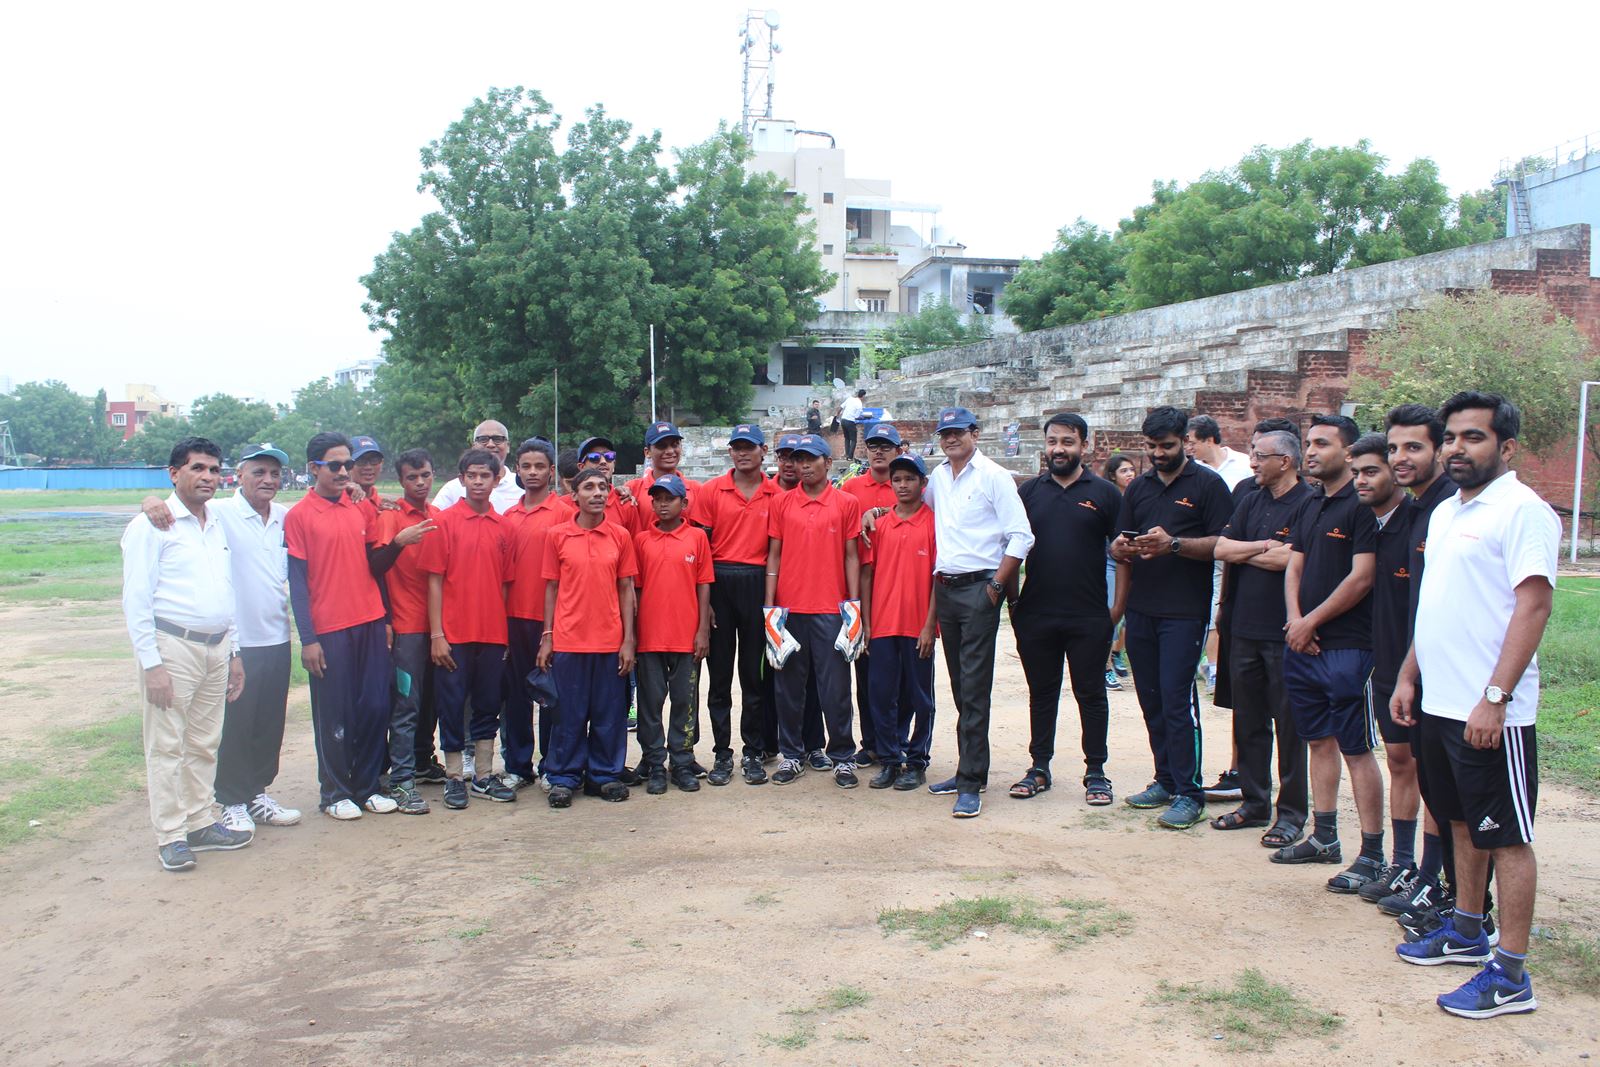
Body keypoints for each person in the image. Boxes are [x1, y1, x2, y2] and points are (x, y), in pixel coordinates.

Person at [1391, 391, 1557, 1019]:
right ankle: (1465, 929)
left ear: (1506, 448)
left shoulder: (1522, 511)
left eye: (1474, 438)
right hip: (1440, 701)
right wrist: (1410, 675)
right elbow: (1436, 605)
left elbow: (1533, 606)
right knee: (1459, 819)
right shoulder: (1446, 513)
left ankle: (1511, 975)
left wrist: (1495, 697)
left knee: (1507, 837)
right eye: (1453, 437)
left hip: (1491, 712)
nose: (1458, 448)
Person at [139, 443, 304, 833]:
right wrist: (149, 501)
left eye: (274, 473)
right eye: (258, 472)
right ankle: (230, 799)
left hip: (276, 637)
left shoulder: (285, 517)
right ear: (240, 476)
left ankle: (257, 792)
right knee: (234, 725)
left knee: (269, 723)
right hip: (236, 644)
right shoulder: (220, 513)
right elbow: (177, 505)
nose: (268, 480)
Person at [121, 437, 251, 871]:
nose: (208, 477)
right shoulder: (152, 524)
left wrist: (232, 651)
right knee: (166, 744)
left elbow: (225, 590)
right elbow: (136, 600)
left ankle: (199, 822)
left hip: (215, 648)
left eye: (214, 470)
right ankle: (171, 835)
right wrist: (151, 664)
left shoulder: (215, 523)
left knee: (203, 741)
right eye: (198, 468)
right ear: (174, 473)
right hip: (172, 647)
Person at [1271, 414, 1385, 893]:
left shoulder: (1363, 506)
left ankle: (1375, 854)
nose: (1311, 451)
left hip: (1347, 647)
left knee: (1357, 749)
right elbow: (1294, 565)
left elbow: (1362, 578)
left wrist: (1312, 622)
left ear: (1350, 451)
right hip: (1303, 645)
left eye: (1322, 443)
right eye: (1308, 443)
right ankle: (1324, 836)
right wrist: (1297, 621)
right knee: (1318, 740)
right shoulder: (1310, 502)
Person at [1110, 406, 1232, 830]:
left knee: (1178, 700)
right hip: (1143, 608)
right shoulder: (1139, 488)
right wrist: (1120, 550)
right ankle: (1164, 779)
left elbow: (1223, 543)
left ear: (1185, 442)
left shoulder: (1208, 485)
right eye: (1151, 447)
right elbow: (1120, 541)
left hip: (1185, 610)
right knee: (1151, 699)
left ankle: (1190, 791)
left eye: (1167, 446)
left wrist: (1174, 545)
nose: (1159, 454)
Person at [917, 406, 1035, 818]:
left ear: (975, 433)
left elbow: (1021, 535)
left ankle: (970, 783)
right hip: (947, 587)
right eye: (944, 433)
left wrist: (997, 586)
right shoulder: (938, 477)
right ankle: (972, 770)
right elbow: (920, 510)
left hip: (980, 588)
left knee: (975, 685)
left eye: (958, 432)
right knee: (960, 684)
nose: (951, 439)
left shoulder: (994, 476)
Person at [1009, 413, 1124, 806]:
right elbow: (1010, 548)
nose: (1059, 449)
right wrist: (1014, 603)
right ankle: (1039, 767)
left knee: (1091, 694)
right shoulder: (1029, 493)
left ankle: (1096, 772)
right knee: (1041, 694)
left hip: (1089, 615)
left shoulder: (1106, 494)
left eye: (1068, 442)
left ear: (1084, 446)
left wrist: (1115, 611)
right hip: (1036, 613)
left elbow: (1124, 555)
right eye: (1053, 441)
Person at [1208, 428, 1312, 846]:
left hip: (1284, 631)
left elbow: (1294, 558)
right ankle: (1254, 802)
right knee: (1248, 720)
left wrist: (1250, 549)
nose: (1252, 463)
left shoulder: (1308, 503)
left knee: (1290, 726)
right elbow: (1220, 548)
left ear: (1284, 462)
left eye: (1259, 456)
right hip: (1243, 626)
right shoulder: (1250, 498)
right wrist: (1263, 548)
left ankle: (1291, 813)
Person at [286, 432, 397, 821]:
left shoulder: (357, 508)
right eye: (334, 465)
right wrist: (309, 639)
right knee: (336, 713)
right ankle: (334, 791)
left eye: (347, 464)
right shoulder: (299, 516)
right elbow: (298, 583)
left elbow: (374, 567)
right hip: (330, 628)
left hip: (368, 621)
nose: (344, 471)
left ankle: (367, 786)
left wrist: (384, 618)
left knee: (375, 706)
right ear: (313, 468)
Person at [1380, 403, 1463, 927]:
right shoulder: (1416, 509)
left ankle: (1450, 891)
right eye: (1394, 448)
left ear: (1438, 449)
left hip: (1451, 674)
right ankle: (1430, 878)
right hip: (1412, 664)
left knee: (1450, 790)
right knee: (1431, 780)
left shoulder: (1450, 507)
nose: (1400, 458)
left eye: (1413, 447)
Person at [420, 449, 517, 810]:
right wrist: (436, 634)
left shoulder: (504, 527)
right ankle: (454, 777)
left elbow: (506, 585)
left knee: (488, 704)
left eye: (485, 476)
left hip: (492, 635)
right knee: (450, 703)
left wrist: (504, 633)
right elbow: (434, 582)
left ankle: (484, 775)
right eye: (472, 475)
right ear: (461, 479)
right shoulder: (443, 523)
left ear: (496, 481)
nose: (478, 482)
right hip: (453, 635)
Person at [1350, 432, 1423, 904]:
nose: (1362, 480)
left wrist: (1410, 673)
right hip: (1383, 661)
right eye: (1358, 472)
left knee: (1418, 766)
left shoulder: (1419, 522)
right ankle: (1399, 864)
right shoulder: (1369, 525)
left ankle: (1423, 870)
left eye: (1371, 470)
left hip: (1415, 667)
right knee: (1398, 760)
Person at [538, 468, 640, 808]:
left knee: (609, 714)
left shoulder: (619, 536)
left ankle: (604, 775)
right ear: (574, 494)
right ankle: (564, 777)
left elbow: (626, 588)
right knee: (568, 714)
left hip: (610, 641)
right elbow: (551, 587)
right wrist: (548, 636)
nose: (597, 493)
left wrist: (628, 639)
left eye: (603, 487)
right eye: (589, 487)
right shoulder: (557, 536)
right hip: (569, 641)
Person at [765, 432, 863, 785]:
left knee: (835, 688)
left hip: (831, 608)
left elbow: (852, 556)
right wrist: (770, 606)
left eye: (811, 459)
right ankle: (791, 755)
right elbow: (773, 555)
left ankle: (842, 756)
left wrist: (854, 607)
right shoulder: (782, 503)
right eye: (798, 459)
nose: (803, 465)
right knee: (788, 687)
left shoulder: (846, 503)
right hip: (789, 609)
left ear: (828, 462)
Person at [700, 424, 782, 785]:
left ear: (763, 450)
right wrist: (705, 602)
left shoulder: (775, 493)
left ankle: (753, 751)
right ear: (730, 452)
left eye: (749, 447)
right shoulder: (712, 490)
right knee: (719, 676)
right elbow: (701, 547)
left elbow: (778, 553)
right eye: (737, 447)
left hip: (756, 580)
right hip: (719, 580)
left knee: (754, 675)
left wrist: (769, 603)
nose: (742, 453)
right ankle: (721, 753)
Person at [367, 449, 440, 814]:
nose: (420, 483)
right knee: (406, 705)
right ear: (401, 481)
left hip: (439, 626)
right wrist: (399, 541)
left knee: (432, 702)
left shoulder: (438, 515)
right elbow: (375, 567)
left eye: (425, 475)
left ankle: (423, 764)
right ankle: (402, 780)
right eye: (412, 477)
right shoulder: (391, 517)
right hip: (407, 625)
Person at [860, 452, 938, 790]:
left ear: (923, 483)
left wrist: (929, 626)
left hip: (917, 626)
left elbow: (939, 578)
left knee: (920, 697)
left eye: (909, 479)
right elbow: (867, 576)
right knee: (880, 694)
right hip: (882, 625)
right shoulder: (881, 525)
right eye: (897, 480)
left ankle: (917, 760)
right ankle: (890, 759)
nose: (903, 485)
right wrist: (866, 622)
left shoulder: (935, 523)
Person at [633, 474, 714, 794]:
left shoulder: (696, 538)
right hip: (650, 637)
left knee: (684, 702)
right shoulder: (640, 540)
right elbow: (634, 590)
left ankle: (681, 761)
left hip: (685, 637)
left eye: (670, 498)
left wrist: (702, 630)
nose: (662, 504)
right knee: (650, 704)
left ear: (684, 503)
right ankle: (654, 763)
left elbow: (703, 585)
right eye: (657, 498)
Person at [502, 437, 575, 791]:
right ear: (517, 469)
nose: (533, 472)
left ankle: (552, 762)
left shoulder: (564, 512)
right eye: (526, 466)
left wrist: (553, 626)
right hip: (513, 617)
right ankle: (517, 764)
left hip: (552, 619)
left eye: (540, 466)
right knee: (514, 694)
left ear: (551, 471)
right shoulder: (507, 517)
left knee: (551, 694)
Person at [840, 422, 906, 767]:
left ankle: (898, 738)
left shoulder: (908, 485)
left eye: (886, 446)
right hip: (865, 585)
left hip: (901, 584)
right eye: (873, 445)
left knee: (904, 672)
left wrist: (879, 511)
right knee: (866, 671)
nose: (879, 451)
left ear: (898, 451)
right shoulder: (851, 488)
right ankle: (871, 741)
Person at [767, 433, 830, 769]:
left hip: (823, 602)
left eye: (802, 457)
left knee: (820, 682)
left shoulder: (836, 498)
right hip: (784, 600)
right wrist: (770, 607)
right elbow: (773, 554)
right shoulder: (775, 497)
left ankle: (815, 745)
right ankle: (784, 750)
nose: (795, 464)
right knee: (787, 679)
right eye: (789, 457)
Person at [1101, 453, 1137, 687]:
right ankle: (1103, 666)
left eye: (1132, 469)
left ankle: (1116, 653)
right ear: (1113, 475)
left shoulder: (1136, 497)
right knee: (1110, 614)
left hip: (1134, 563)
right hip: (1111, 562)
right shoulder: (1109, 498)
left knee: (1126, 618)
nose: (1130, 474)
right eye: (1124, 471)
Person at [433, 420, 523, 512]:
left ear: (508, 446)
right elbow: (432, 520)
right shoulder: (453, 488)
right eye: (483, 439)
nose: (490, 444)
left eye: (498, 439)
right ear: (474, 446)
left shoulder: (522, 486)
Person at [627, 421, 703, 527]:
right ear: (647, 452)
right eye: (662, 446)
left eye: (675, 445)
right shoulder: (632, 489)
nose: (670, 451)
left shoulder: (697, 489)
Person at [348, 436, 388, 521]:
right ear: (348, 465)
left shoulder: (384, 506)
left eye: (374, 460)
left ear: (382, 463)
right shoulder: (339, 500)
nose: (368, 467)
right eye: (361, 461)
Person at [839, 388, 866, 461]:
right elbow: (857, 417)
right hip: (850, 422)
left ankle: (847, 455)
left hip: (843, 420)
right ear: (863, 396)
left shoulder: (850, 399)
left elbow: (841, 407)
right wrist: (863, 417)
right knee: (853, 440)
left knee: (847, 439)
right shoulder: (859, 404)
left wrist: (837, 414)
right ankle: (850, 457)